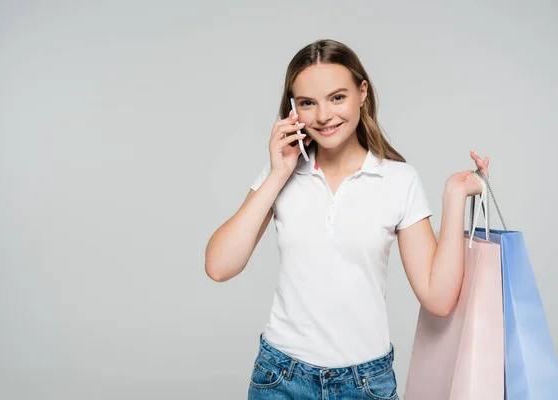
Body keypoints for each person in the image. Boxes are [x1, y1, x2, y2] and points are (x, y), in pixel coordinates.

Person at [204, 39, 490, 400]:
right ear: (293, 109)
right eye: (308, 103)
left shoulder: (399, 180)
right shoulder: (280, 173)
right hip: (281, 378)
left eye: (337, 97)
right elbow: (218, 266)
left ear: (362, 93)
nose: (323, 116)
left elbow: (438, 298)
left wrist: (453, 196)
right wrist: (278, 174)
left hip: (365, 384)